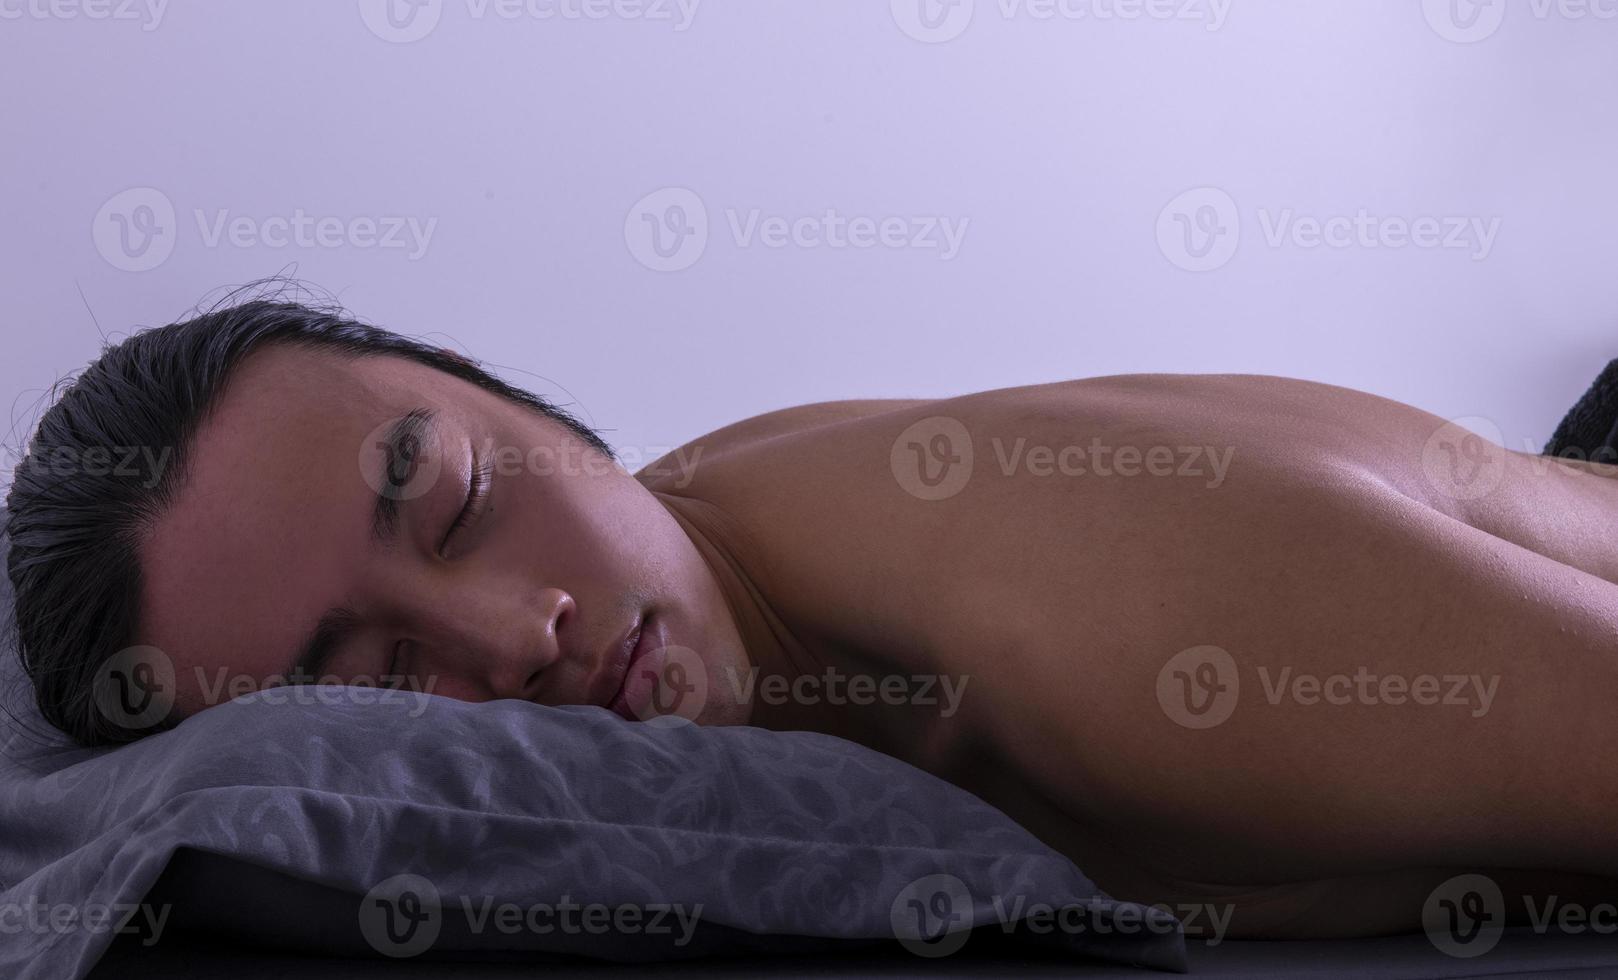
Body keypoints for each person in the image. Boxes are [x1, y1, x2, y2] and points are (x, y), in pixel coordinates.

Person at [7, 293, 1617, 939]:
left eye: (459, 504)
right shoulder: (730, 557)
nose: (516, 634)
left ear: (540, 409)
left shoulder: (1091, 612)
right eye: (372, 677)